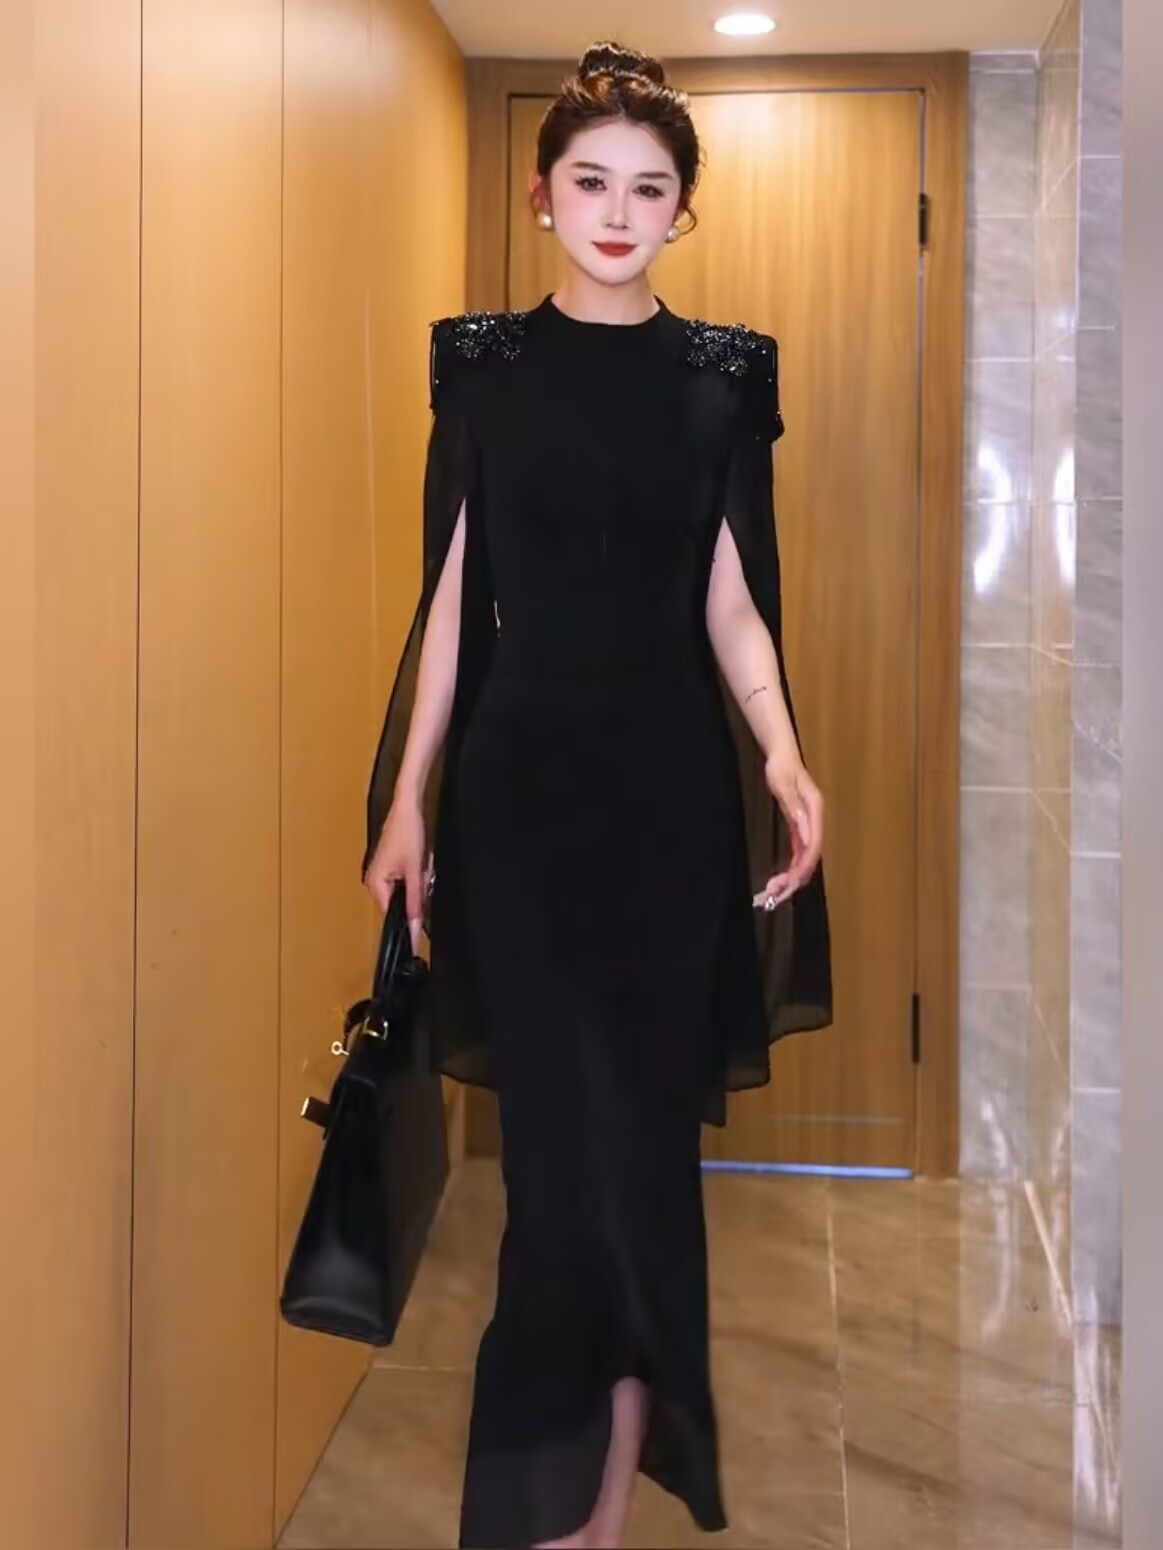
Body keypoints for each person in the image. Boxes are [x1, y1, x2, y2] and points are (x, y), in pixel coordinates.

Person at [361, 39, 833, 1550]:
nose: (618, 213)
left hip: (670, 817)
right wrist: (407, 797)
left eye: (648, 188)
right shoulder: (482, 364)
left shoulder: (723, 374)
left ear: (681, 209)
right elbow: (450, 603)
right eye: (591, 182)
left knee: (643, 1185)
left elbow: (733, 601)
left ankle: (597, 1514)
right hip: (521, 812)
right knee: (560, 1190)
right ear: (542, 195)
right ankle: (547, 1516)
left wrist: (782, 750)